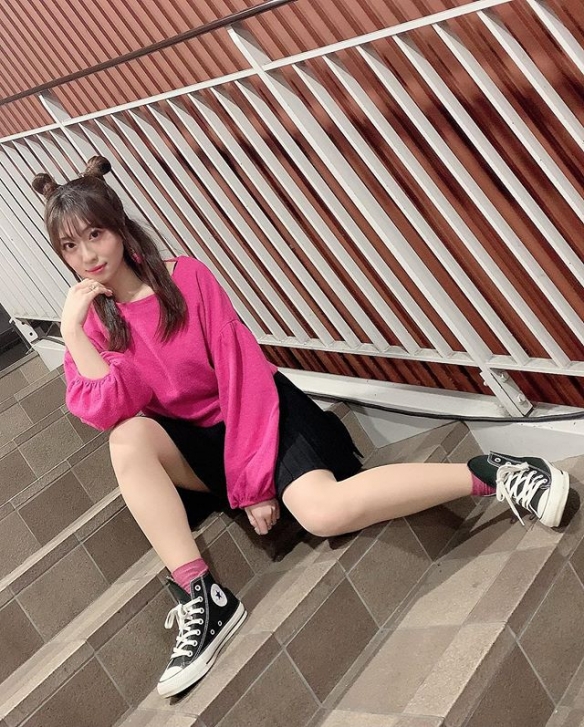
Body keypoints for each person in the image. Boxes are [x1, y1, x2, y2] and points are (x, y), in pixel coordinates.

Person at [32, 156, 570, 699]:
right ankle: (203, 597)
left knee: (323, 511)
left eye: (95, 234)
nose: (88, 256)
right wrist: (74, 333)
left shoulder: (186, 277)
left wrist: (253, 484)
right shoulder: (91, 321)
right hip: (194, 443)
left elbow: (242, 375)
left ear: (119, 227)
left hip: (259, 413)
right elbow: (111, 409)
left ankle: (495, 472)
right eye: (70, 247)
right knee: (126, 437)